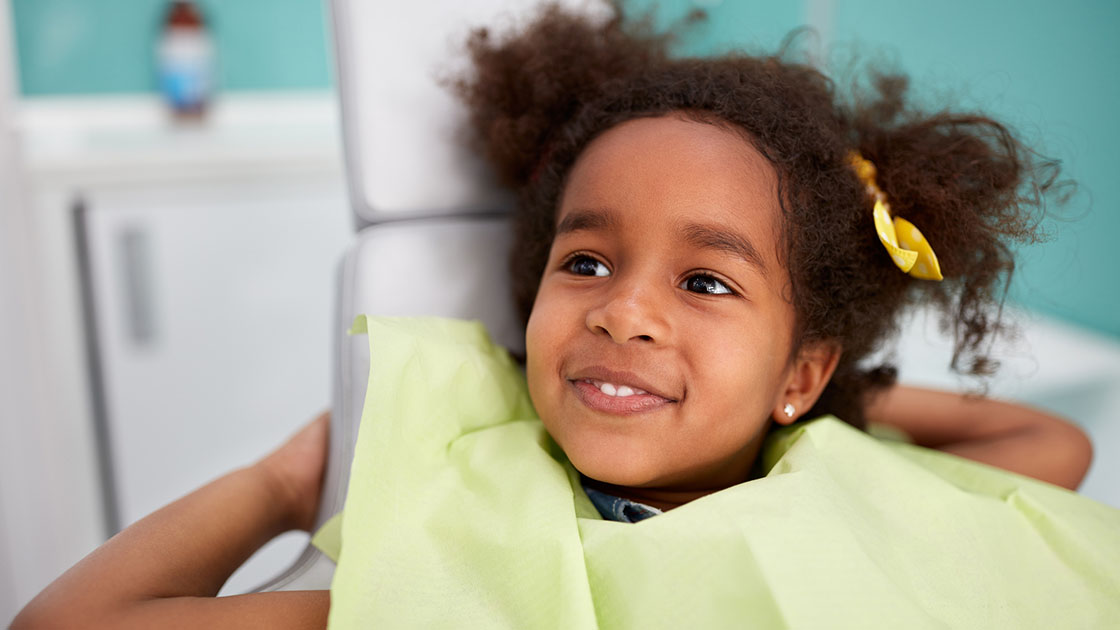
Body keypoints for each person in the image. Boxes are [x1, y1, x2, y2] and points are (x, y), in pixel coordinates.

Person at [13, 3, 1097, 628]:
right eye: (585, 262)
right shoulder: (458, 542)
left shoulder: (842, 477)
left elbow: (1050, 442)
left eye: (705, 283)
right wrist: (283, 488)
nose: (623, 312)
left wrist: (828, 404)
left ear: (801, 372)